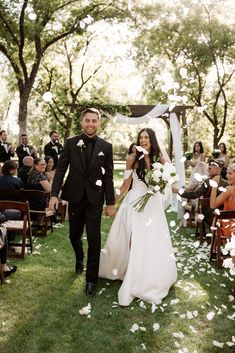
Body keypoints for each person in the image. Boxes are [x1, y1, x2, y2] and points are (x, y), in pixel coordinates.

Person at [99, 128, 177, 306]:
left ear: (152, 140)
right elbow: (126, 184)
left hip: (152, 204)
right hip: (135, 202)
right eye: (141, 137)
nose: (143, 140)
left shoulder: (159, 157)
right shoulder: (132, 158)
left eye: (146, 137)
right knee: (133, 237)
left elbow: (170, 175)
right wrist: (113, 202)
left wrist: (160, 184)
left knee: (151, 239)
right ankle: (131, 273)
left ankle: (148, 275)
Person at [49, 108, 116, 297]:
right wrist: (55, 194)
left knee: (94, 239)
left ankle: (91, 280)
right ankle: (79, 258)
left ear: (99, 123)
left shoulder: (106, 146)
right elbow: (61, 170)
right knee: (74, 235)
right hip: (75, 197)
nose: (91, 124)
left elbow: (109, 176)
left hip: (95, 199)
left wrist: (110, 202)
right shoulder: (70, 143)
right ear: (82, 122)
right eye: (87, 120)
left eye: (94, 121)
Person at [175, 159, 228, 226]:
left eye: (210, 168)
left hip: (209, 214)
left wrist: (178, 191)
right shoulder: (227, 183)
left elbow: (194, 195)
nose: (207, 170)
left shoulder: (207, 182)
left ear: (218, 169)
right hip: (224, 214)